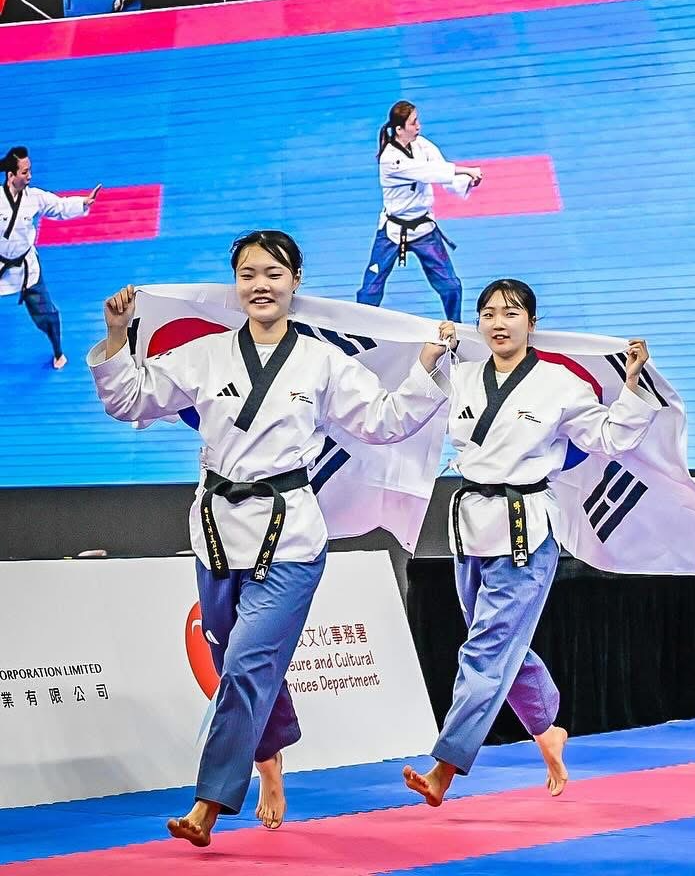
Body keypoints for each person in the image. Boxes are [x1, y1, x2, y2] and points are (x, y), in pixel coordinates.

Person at [89, 230, 454, 847]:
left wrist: (424, 366)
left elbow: (384, 421)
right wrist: (120, 337)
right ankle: (271, 757)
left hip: (290, 538)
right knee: (243, 660)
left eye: (274, 273)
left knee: (248, 664)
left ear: (296, 281)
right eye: (249, 274)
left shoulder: (321, 361)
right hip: (215, 532)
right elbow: (130, 401)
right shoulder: (205, 354)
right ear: (237, 285)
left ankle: (209, 801)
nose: (261, 284)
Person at [403, 278, 658, 806]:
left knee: (486, 649)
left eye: (511, 312)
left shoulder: (561, 384)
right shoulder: (463, 377)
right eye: (488, 313)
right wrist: (427, 363)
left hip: (526, 530)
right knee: (502, 646)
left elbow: (608, 438)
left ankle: (444, 768)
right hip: (470, 525)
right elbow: (407, 418)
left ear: (532, 323)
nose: (498, 322)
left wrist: (632, 386)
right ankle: (547, 728)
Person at [357, 101, 482, 322]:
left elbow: (445, 176)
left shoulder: (423, 146)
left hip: (424, 228)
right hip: (393, 230)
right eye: (413, 122)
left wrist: (467, 182)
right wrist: (467, 170)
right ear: (399, 129)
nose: (418, 126)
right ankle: (355, 329)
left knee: (451, 286)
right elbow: (428, 173)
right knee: (371, 289)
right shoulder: (390, 159)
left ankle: (456, 328)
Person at [1, 146, 101, 370]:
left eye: (30, 171)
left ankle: (57, 352)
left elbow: (59, 206)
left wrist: (83, 203)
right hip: (0, 265)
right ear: (11, 175)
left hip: (26, 267)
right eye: (25, 172)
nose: (30, 176)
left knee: (47, 314)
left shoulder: (34, 197)